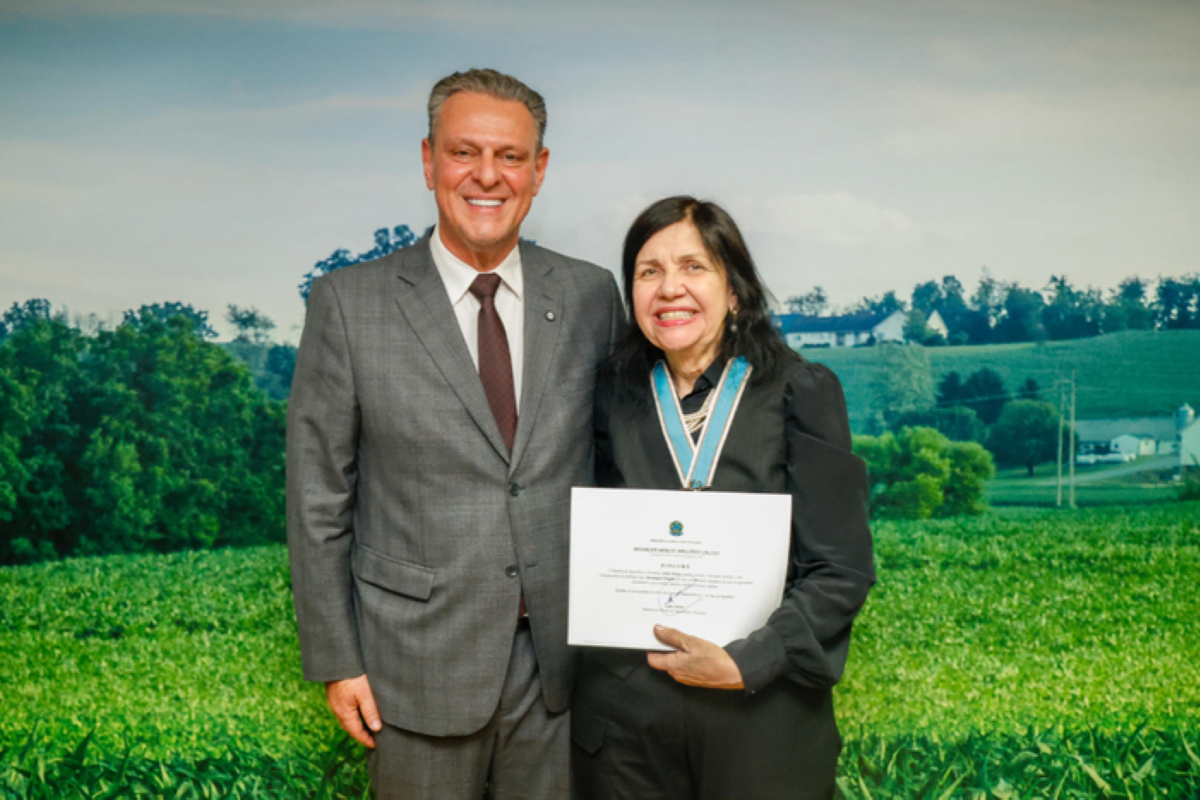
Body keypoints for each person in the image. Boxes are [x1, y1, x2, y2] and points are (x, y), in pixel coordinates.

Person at [287, 68, 624, 799]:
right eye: (464, 152)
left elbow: (622, 460)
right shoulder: (349, 303)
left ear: (539, 170)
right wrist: (338, 660)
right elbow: (319, 497)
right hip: (413, 664)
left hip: (563, 670)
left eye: (509, 157)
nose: (487, 176)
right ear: (428, 160)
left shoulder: (593, 294)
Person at [570, 196, 875, 799]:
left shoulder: (802, 391)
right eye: (648, 271)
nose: (669, 288)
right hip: (627, 727)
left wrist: (748, 661)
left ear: (735, 289)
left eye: (693, 267)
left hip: (761, 718)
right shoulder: (609, 395)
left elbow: (841, 569)